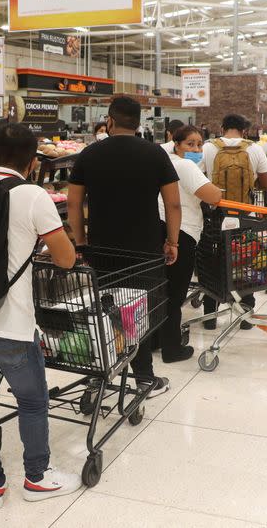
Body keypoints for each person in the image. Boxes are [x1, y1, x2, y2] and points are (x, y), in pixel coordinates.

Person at [0, 124, 81, 510]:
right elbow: (66, 258)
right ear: (34, 161)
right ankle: (37, 477)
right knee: (32, 401)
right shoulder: (32, 195)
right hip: (10, 322)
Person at [68, 96, 182, 398]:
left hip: (102, 248)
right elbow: (173, 203)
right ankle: (144, 376)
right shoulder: (155, 154)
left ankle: (101, 372)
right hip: (144, 249)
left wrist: (80, 243)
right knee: (139, 311)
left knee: (106, 309)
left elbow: (74, 204)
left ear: (110, 120)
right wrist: (172, 241)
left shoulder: (89, 154)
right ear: (138, 121)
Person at [199, 113, 267, 331]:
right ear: (244, 130)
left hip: (214, 216)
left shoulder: (208, 147)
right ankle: (246, 314)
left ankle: (210, 316)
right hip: (243, 215)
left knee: (211, 262)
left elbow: (198, 178)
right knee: (245, 261)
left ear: (222, 128)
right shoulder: (254, 148)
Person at [159, 125, 222, 363]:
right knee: (175, 294)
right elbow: (213, 195)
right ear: (177, 144)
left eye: (199, 144)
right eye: (190, 144)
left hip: (161, 227)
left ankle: (157, 341)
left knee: (163, 292)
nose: (196, 149)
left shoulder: (163, 162)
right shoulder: (184, 165)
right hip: (182, 233)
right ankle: (172, 349)